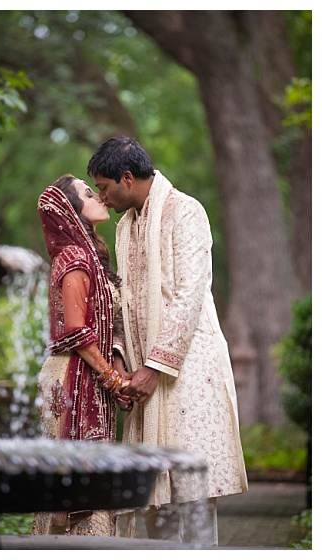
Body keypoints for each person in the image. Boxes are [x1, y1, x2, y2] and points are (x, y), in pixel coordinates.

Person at [88, 137, 247, 545]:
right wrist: (122, 360)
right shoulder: (126, 227)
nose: (102, 198)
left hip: (186, 372)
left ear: (127, 177)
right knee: (152, 496)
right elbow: (124, 299)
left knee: (191, 495)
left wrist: (155, 366)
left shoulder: (185, 211)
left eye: (104, 187)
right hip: (145, 377)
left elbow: (189, 296)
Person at [31, 175, 135, 536]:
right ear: (71, 211)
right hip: (74, 377)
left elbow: (111, 322)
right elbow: (76, 330)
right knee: (73, 483)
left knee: (91, 481)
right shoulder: (74, 258)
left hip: (91, 373)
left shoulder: (92, 254)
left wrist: (117, 371)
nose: (99, 197)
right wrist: (111, 379)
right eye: (89, 194)